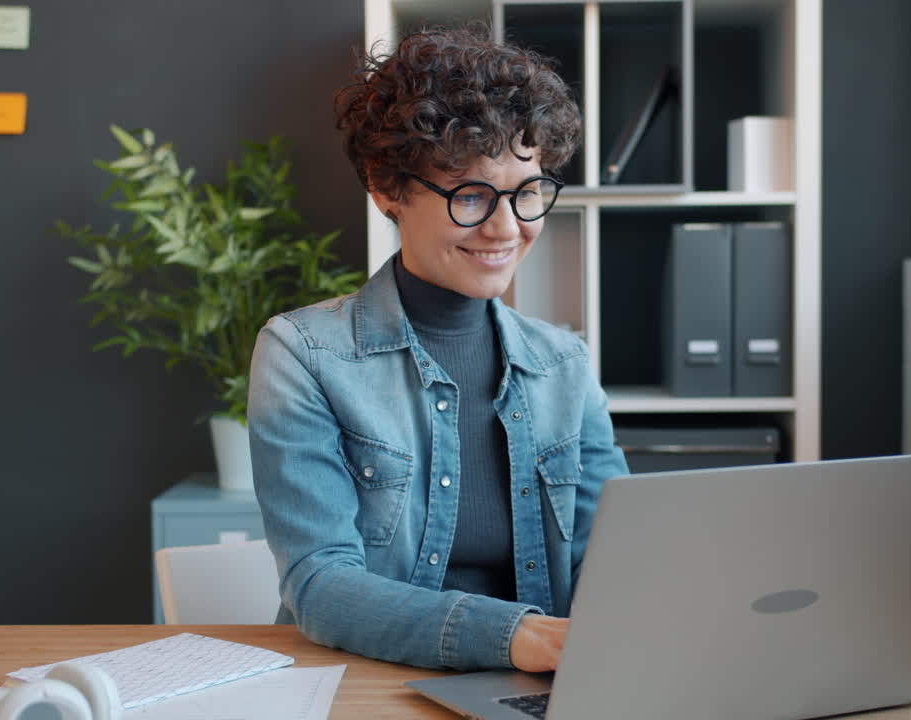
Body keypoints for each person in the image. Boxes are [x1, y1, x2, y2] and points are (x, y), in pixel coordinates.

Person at [246, 25, 629, 672]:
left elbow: (616, 555)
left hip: (544, 683)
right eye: (471, 195)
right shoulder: (304, 354)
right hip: (372, 683)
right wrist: (512, 636)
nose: (506, 228)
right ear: (386, 188)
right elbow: (320, 584)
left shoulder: (565, 363)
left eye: (527, 193)